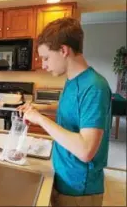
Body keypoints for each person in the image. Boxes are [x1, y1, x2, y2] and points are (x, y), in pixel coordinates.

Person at [18, 17, 111, 206]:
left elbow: (86, 150)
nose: (43, 65)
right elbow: (72, 111)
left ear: (63, 50)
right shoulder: (72, 80)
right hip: (62, 174)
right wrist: (41, 108)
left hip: (78, 189)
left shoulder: (95, 87)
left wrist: (40, 119)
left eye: (46, 58)